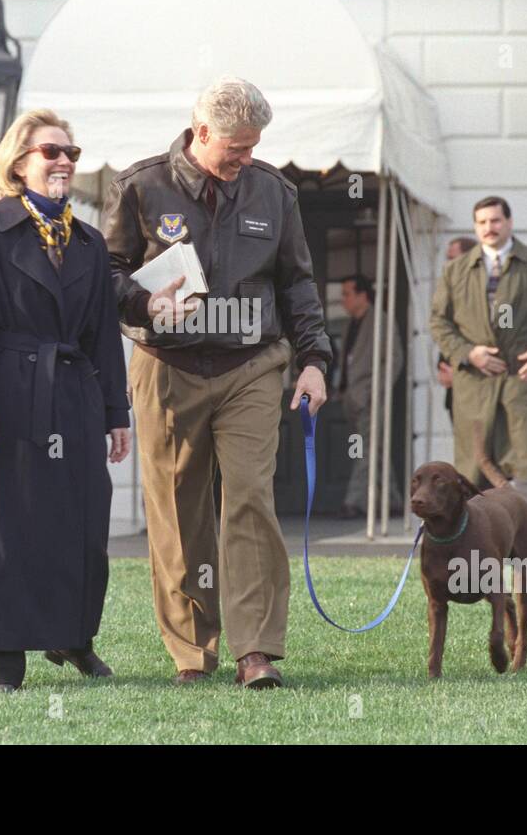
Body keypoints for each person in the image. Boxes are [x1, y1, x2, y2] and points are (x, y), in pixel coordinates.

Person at [102, 77, 332, 689]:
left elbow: (299, 283)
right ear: (201, 131)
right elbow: (106, 273)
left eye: (254, 146)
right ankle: (191, 652)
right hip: (165, 365)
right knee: (178, 510)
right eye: (237, 147)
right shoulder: (139, 185)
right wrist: (145, 306)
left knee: (251, 497)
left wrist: (314, 359)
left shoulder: (275, 193)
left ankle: (255, 650)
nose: (247, 159)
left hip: (251, 365)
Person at [0, 109, 132, 692]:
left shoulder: (90, 242)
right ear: (19, 161)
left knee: (77, 522)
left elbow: (102, 332)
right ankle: (2, 659)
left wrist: (114, 413)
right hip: (2, 393)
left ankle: (73, 637)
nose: (65, 161)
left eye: (72, 152)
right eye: (52, 151)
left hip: (70, 394)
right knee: (1, 525)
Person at [429, 196, 527, 521]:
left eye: (495, 221)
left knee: (525, 468)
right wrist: (469, 353)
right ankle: (475, 560)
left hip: (523, 383)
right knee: (471, 473)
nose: (489, 228)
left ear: (509, 222)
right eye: (481, 222)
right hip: (474, 387)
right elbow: (439, 322)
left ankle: (523, 559)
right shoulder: (456, 271)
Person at [334, 273, 403, 519]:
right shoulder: (348, 324)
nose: (343, 299)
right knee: (373, 448)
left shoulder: (380, 321)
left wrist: (375, 389)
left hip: (371, 396)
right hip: (352, 399)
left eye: (347, 294)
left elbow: (393, 359)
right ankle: (393, 499)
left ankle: (354, 500)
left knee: (365, 449)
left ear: (363, 295)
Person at [436, 236, 478, 423]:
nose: (448, 266)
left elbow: (498, 345)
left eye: (453, 259)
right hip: (455, 395)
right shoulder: (452, 296)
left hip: (478, 395)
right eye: (447, 259)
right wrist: (442, 369)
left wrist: (461, 375)